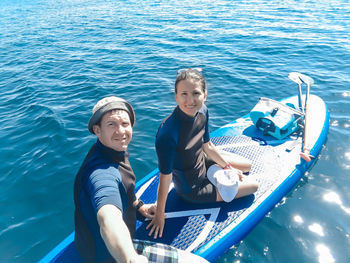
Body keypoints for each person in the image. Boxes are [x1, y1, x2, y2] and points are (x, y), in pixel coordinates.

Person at [73, 96, 208, 263]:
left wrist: (138, 206)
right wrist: (130, 258)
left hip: (88, 246)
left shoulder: (109, 152)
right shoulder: (101, 172)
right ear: (97, 130)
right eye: (111, 124)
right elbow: (108, 217)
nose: (121, 131)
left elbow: (122, 189)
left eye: (125, 124)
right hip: (109, 256)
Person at [147, 68, 259, 239]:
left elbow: (207, 145)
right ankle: (216, 176)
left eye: (196, 93)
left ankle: (217, 173)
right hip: (191, 189)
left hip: (203, 160)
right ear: (175, 96)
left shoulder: (203, 111)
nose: (190, 100)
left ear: (205, 94)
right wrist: (159, 214)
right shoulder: (167, 133)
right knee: (253, 185)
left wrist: (227, 167)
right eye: (184, 94)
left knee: (247, 165)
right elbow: (165, 177)